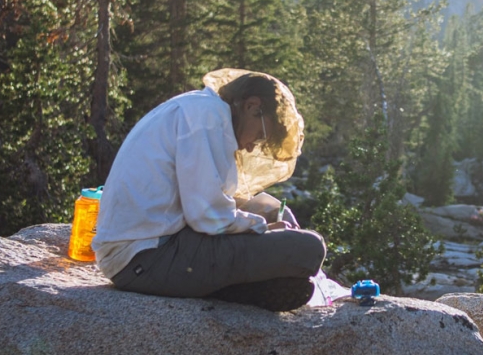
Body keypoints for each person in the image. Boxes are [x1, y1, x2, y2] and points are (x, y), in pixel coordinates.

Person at [92, 68, 326, 312]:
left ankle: (228, 287)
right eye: (258, 137)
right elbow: (207, 217)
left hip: (146, 251)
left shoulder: (200, 109)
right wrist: (262, 227)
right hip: (146, 258)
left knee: (281, 230)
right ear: (251, 106)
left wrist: (263, 209)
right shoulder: (207, 120)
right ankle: (234, 287)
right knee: (309, 249)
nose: (249, 148)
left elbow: (201, 199)